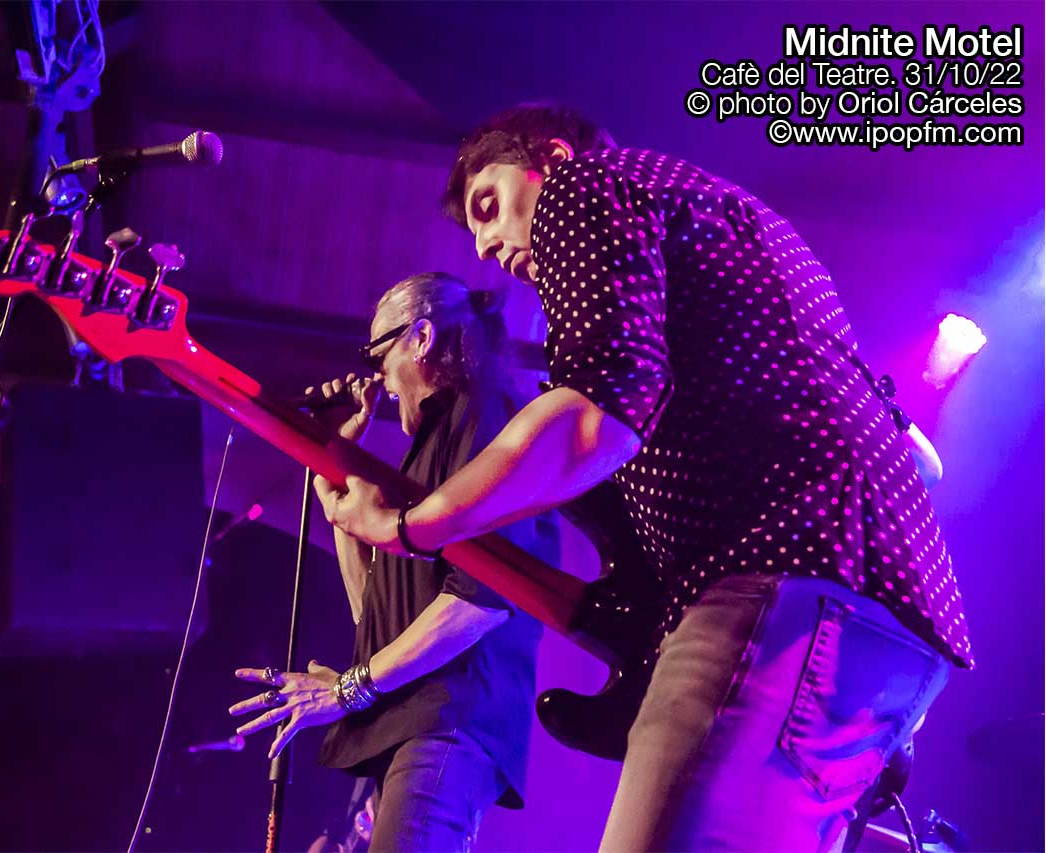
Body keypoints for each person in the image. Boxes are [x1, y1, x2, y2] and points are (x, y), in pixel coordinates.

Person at [317, 103, 973, 851]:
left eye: (489, 205)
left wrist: (409, 525)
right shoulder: (730, 229)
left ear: (551, 160)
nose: (486, 245)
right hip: (894, 626)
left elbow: (595, 417)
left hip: (785, 587)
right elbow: (922, 461)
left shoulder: (586, 186)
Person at [230, 272, 553, 851]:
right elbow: (373, 612)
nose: (377, 376)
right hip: (415, 723)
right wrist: (335, 469)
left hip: (450, 719)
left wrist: (349, 689)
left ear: (421, 338)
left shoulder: (484, 416)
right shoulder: (426, 453)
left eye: (378, 355)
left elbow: (482, 599)